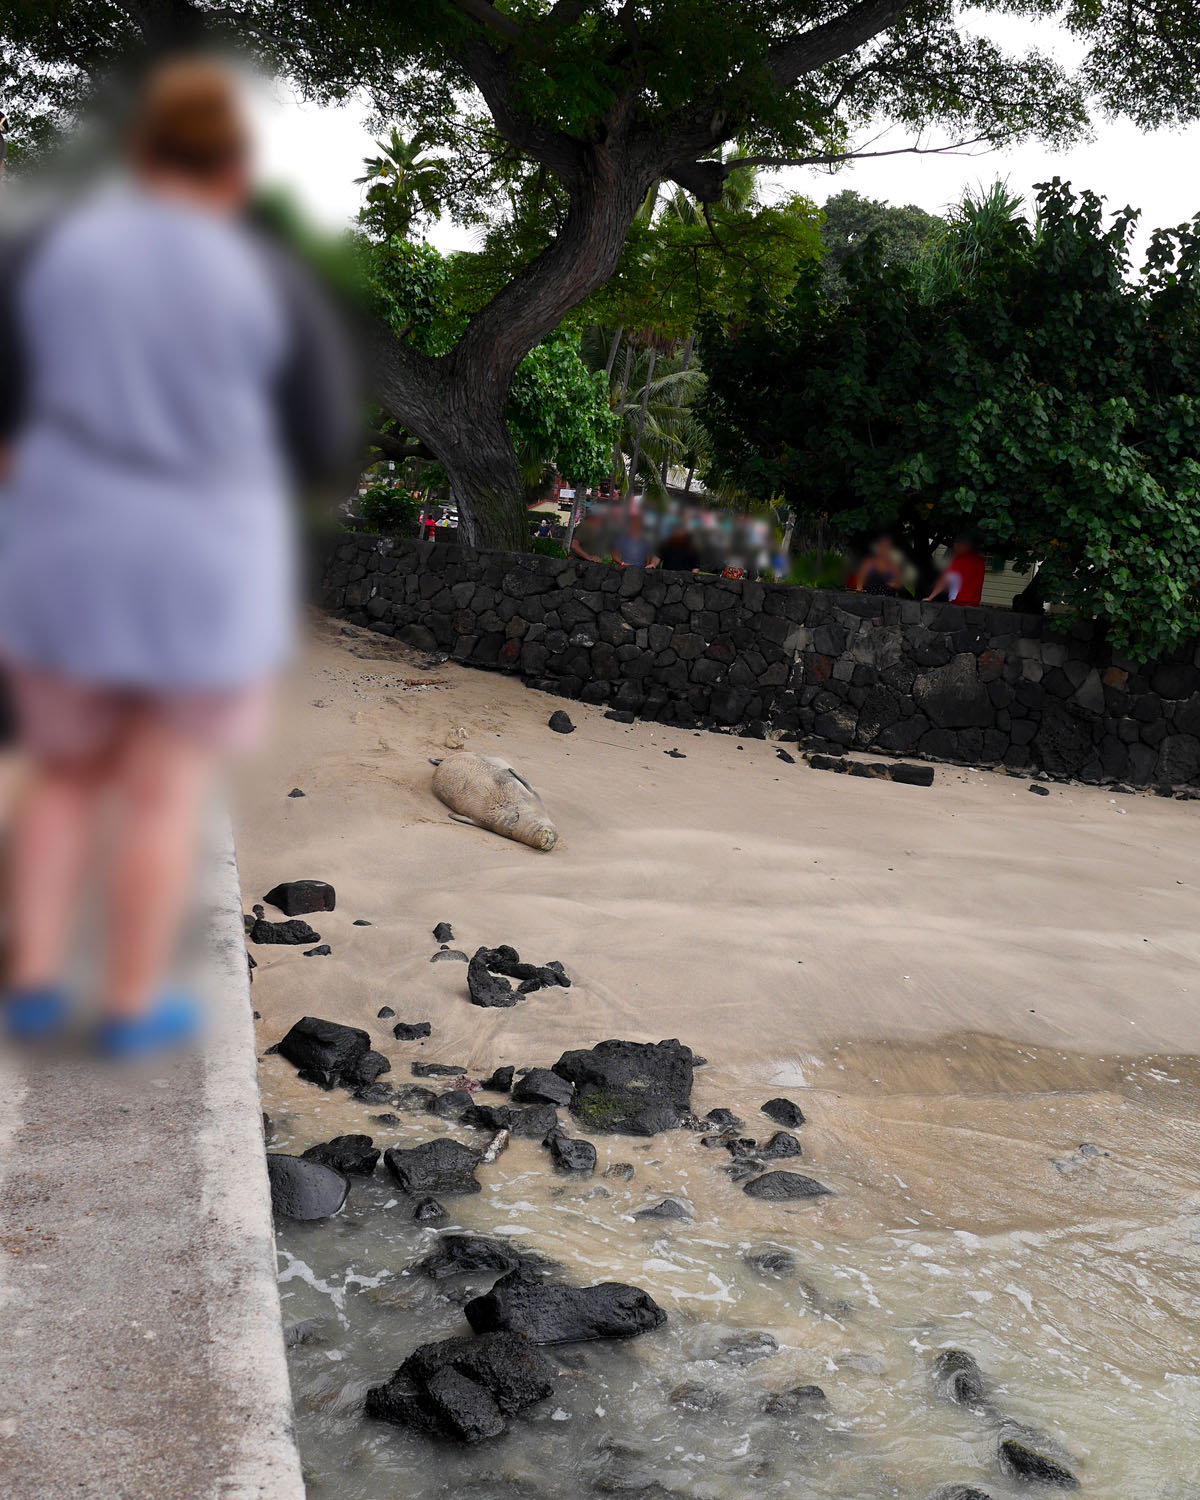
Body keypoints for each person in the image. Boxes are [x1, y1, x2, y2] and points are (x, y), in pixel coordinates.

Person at [0, 58, 356, 1055]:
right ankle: (125, 1005)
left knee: (64, 774)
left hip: (65, 555)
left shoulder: (52, 257)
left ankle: (29, 983)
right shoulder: (269, 281)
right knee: (160, 790)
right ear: (235, 173)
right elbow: (322, 443)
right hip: (200, 572)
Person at [925, 534, 987, 607]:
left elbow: (944, 581)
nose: (954, 547)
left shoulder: (959, 560)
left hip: (958, 604)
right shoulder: (980, 561)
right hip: (974, 604)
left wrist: (930, 597)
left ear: (963, 545)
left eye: (955, 544)